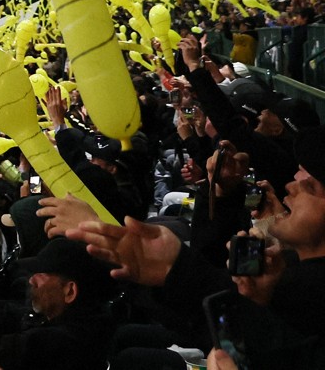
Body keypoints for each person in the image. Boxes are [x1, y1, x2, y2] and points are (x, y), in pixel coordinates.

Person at [68, 126, 325, 369]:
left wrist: (176, 268)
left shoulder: (307, 289)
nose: (291, 187)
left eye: (310, 187)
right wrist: (221, 193)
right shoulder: (286, 269)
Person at [0, 237, 117, 370]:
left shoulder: (69, 340)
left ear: (70, 291)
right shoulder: (64, 314)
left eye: (42, 274)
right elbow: (6, 312)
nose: (32, 280)